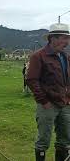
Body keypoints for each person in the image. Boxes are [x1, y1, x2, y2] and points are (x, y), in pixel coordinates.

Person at [26, 23, 70, 161]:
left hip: (65, 104)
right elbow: (32, 80)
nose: (67, 42)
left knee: (65, 139)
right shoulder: (38, 56)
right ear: (53, 39)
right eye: (65, 38)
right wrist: (43, 101)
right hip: (48, 105)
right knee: (43, 139)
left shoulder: (65, 56)